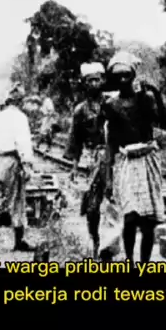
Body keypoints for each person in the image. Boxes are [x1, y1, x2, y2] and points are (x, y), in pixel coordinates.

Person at [103, 51, 166, 265]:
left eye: (127, 75)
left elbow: (164, 123)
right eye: (119, 76)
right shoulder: (111, 105)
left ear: (133, 75)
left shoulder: (145, 99)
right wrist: (109, 177)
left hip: (147, 159)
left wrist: (156, 93)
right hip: (125, 162)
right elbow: (111, 142)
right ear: (114, 79)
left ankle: (145, 263)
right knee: (130, 216)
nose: (123, 80)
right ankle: (130, 260)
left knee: (148, 220)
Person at [0, 85, 35, 254]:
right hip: (12, 160)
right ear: (19, 101)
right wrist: (27, 164)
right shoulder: (20, 118)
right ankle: (19, 241)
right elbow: (23, 143)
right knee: (17, 201)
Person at [65, 62, 107, 258]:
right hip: (92, 158)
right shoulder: (80, 110)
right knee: (92, 205)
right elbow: (75, 141)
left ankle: (111, 244)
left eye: (97, 80)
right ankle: (95, 239)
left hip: (113, 157)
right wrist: (74, 167)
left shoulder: (111, 104)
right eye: (90, 81)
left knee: (114, 202)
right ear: (85, 83)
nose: (93, 84)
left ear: (102, 81)